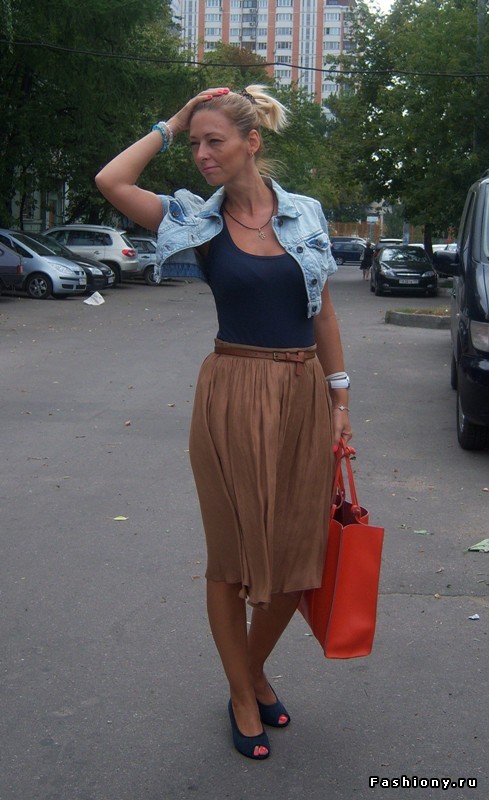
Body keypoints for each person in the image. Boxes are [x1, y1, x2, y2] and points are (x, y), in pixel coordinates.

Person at [95, 85, 352, 761]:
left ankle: (250, 670)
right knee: (233, 556)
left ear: (252, 143)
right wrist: (173, 121)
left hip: (304, 393)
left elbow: (323, 311)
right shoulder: (192, 219)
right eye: (196, 142)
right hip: (233, 391)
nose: (202, 153)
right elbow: (111, 181)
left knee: (298, 556)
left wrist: (341, 401)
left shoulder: (305, 213)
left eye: (215, 141)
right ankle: (243, 692)